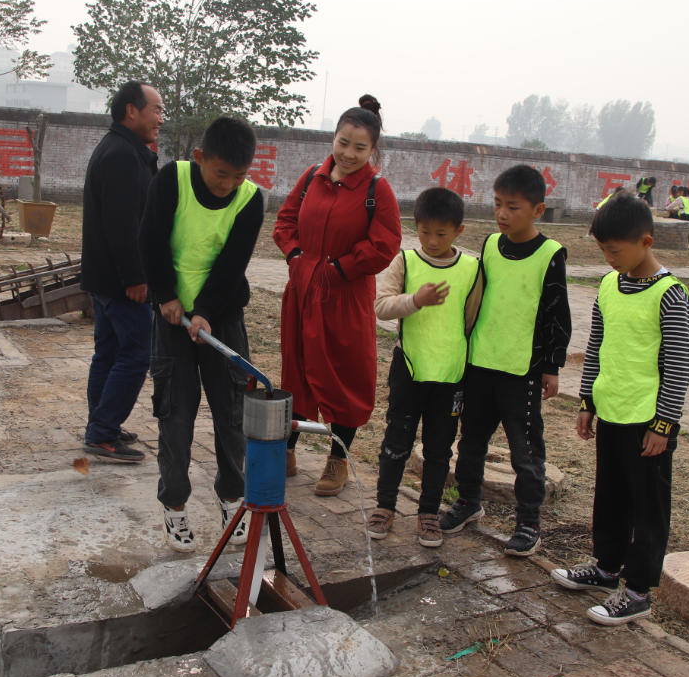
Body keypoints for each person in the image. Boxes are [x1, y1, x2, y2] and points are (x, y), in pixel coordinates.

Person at [551, 192, 689, 625]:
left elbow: (679, 366)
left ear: (646, 242)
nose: (609, 258)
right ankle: (606, 568)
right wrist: (587, 401)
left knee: (648, 507)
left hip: (647, 422)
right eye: (603, 250)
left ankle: (638, 590)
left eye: (616, 250)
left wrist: (664, 424)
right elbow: (596, 345)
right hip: (611, 411)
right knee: (610, 496)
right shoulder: (610, 284)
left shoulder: (671, 295)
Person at [138, 116, 265, 552]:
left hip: (222, 320)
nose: (228, 184)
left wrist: (207, 312)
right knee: (176, 415)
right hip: (173, 320)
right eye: (220, 174)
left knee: (233, 415)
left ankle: (232, 497)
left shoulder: (250, 200)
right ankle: (174, 505)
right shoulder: (171, 179)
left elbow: (233, 264)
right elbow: (150, 241)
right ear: (199, 159)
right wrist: (167, 297)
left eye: (239, 176)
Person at [274, 95, 402, 497]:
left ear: (372, 150)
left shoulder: (378, 191)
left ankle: (338, 458)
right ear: (333, 138)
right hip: (303, 290)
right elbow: (286, 219)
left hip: (346, 297)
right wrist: (296, 255)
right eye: (342, 142)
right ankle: (287, 451)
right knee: (296, 369)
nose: (348, 153)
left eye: (359, 147)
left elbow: (386, 243)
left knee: (346, 375)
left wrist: (340, 268)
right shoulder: (313, 175)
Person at [440, 165, 571, 557]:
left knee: (525, 451)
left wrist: (551, 366)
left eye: (512, 207)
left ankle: (528, 522)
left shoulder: (550, 255)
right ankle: (468, 501)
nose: (502, 214)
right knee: (472, 440)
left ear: (538, 211)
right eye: (498, 204)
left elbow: (556, 314)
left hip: (522, 370)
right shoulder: (491, 245)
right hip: (481, 361)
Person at [367, 187, 480, 548]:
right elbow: (381, 306)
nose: (432, 241)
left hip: (449, 375)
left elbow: (470, 319)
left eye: (441, 234)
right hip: (410, 369)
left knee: (439, 447)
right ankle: (385, 506)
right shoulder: (406, 261)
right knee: (396, 439)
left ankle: (428, 512)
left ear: (458, 231)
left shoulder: (471, 268)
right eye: (425, 232)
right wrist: (415, 300)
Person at [81, 81, 164, 462]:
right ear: (132, 111)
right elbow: (122, 225)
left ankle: (103, 425)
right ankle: (101, 432)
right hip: (120, 281)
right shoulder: (121, 155)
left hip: (105, 278)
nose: (160, 118)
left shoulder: (120, 148)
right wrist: (135, 277)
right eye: (156, 110)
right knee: (134, 354)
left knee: (109, 352)